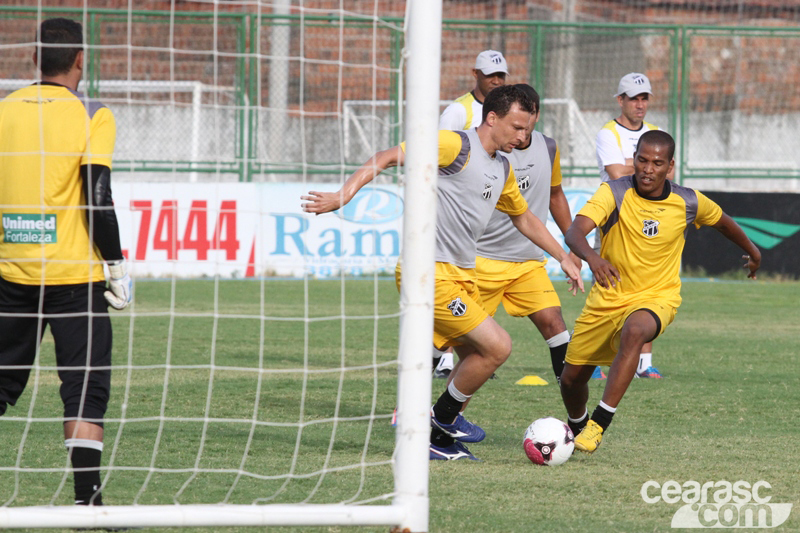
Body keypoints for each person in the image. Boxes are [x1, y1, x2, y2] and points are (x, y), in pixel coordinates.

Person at [303, 85, 584, 461]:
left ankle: (435, 440)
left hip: (460, 275)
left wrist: (563, 256)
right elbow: (387, 156)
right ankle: (436, 419)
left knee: (474, 359)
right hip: (427, 273)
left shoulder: (501, 166)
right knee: (499, 346)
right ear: (492, 118)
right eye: (517, 127)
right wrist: (342, 195)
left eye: (528, 128)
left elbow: (524, 218)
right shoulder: (455, 146)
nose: (523, 137)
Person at [560, 130, 760, 454]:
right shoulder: (614, 192)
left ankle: (599, 423)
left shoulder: (688, 201)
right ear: (634, 159)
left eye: (657, 163)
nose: (647, 169)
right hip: (608, 298)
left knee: (636, 330)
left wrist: (754, 252)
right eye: (641, 160)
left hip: (658, 296)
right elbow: (575, 231)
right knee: (570, 380)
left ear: (670, 166)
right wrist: (593, 259)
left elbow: (723, 222)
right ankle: (578, 423)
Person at [0, 18, 132, 506]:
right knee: (83, 391)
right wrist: (115, 267)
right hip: (76, 280)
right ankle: (88, 504)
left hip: (11, 274)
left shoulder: (3, 111)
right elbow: (98, 198)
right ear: (81, 59)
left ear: (33, 58)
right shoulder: (92, 113)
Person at [472, 84, 581, 386]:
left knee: (554, 322)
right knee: (450, 337)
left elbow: (555, 195)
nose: (523, 132)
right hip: (481, 259)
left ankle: (571, 395)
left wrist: (570, 246)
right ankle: (416, 405)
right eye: (518, 124)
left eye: (529, 122)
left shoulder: (548, 147)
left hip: (528, 261)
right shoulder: (481, 145)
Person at [434, 49, 509, 378]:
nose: (496, 80)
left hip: (476, 226)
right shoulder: (458, 112)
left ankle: (442, 411)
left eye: (501, 75)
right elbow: (435, 153)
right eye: (490, 74)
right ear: (474, 74)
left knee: (469, 314)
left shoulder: (507, 117)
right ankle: (444, 364)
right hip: (446, 229)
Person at [594, 72, 674, 379]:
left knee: (651, 282)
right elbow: (616, 173)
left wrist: (637, 163)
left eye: (644, 98)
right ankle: (596, 358)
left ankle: (644, 363)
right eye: (633, 98)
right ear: (620, 100)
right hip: (616, 214)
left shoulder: (654, 130)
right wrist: (652, 165)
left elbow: (665, 173)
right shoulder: (608, 132)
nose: (640, 104)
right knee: (610, 283)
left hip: (650, 213)